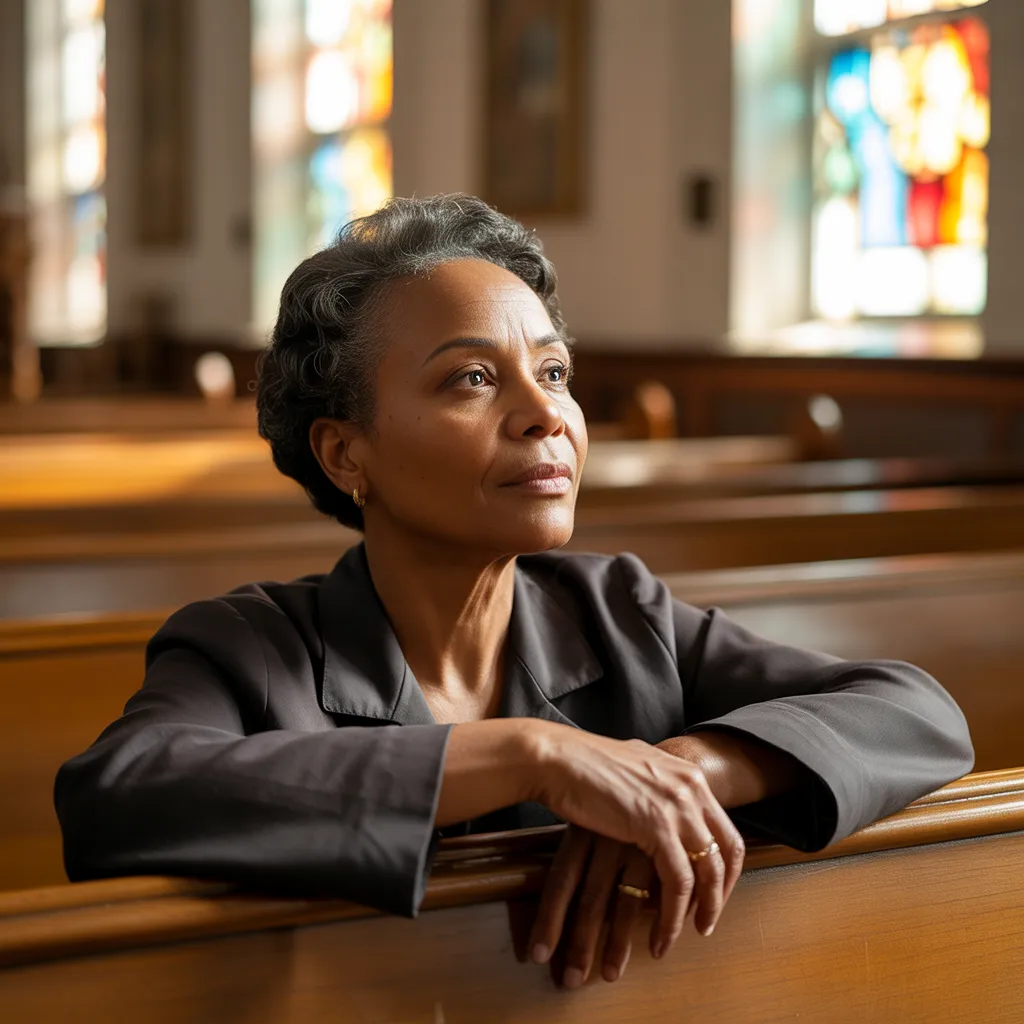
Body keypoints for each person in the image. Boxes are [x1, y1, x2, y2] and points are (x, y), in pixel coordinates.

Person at [55, 194, 973, 990]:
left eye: (556, 372)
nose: (545, 415)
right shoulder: (252, 648)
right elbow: (120, 798)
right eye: (474, 378)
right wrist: (531, 757)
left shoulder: (620, 613)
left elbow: (917, 715)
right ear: (345, 453)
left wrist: (682, 774)